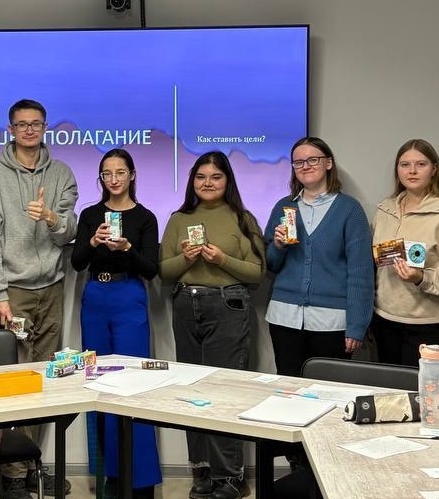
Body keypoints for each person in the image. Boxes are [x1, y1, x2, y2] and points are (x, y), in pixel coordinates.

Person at [0, 98, 78, 499]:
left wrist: (51, 218)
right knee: (16, 382)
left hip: (51, 288)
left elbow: (69, 231)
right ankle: (13, 476)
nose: (30, 130)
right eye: (22, 124)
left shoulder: (62, 174)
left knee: (45, 381)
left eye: (36, 124)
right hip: (14, 292)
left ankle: (32, 464)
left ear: (45, 127)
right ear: (11, 130)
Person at [160, 150, 265, 499]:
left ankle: (230, 477)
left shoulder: (243, 219)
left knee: (223, 391)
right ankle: (201, 472)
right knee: (193, 391)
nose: (207, 183)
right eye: (201, 177)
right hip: (185, 306)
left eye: (216, 177)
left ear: (227, 181)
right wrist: (185, 258)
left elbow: (257, 274)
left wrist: (222, 259)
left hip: (228, 305)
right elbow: (165, 272)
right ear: (192, 180)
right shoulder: (179, 219)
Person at [71, 149, 161, 499]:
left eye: (120, 172)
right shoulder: (90, 214)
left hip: (129, 296)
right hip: (95, 297)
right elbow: (78, 262)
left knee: (134, 387)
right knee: (98, 386)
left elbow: (150, 270)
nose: (114, 179)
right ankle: (109, 476)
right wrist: (93, 241)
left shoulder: (145, 217)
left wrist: (126, 249)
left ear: (132, 175)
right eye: (107, 174)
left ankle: (140, 481)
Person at [265, 137, 374, 376]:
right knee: (288, 387)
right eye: (298, 162)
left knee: (328, 389)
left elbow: (361, 272)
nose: (305, 166)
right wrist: (278, 246)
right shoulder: (283, 207)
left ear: (328, 163)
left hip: (332, 322)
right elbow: (270, 264)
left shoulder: (350, 209)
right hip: (284, 318)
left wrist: (356, 326)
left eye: (313, 159)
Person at [371, 139, 439, 382]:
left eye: (420, 164)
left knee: (426, 400)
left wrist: (422, 277)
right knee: (392, 397)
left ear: (434, 169)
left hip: (433, 326)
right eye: (405, 165)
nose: (412, 171)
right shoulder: (385, 210)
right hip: (386, 322)